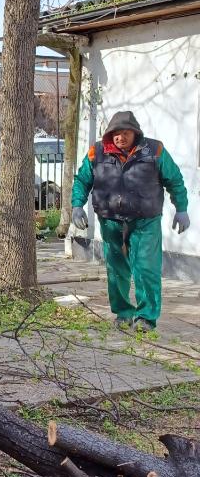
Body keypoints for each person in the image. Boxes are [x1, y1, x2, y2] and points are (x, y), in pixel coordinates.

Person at [71, 111, 189, 331]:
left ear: (135, 133)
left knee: (146, 269)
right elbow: (82, 180)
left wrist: (181, 208)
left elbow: (174, 179)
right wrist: (77, 205)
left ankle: (146, 318)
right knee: (116, 270)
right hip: (110, 221)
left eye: (125, 133)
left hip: (145, 221)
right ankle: (123, 312)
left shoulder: (155, 150)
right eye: (115, 134)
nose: (120, 138)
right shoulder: (97, 152)